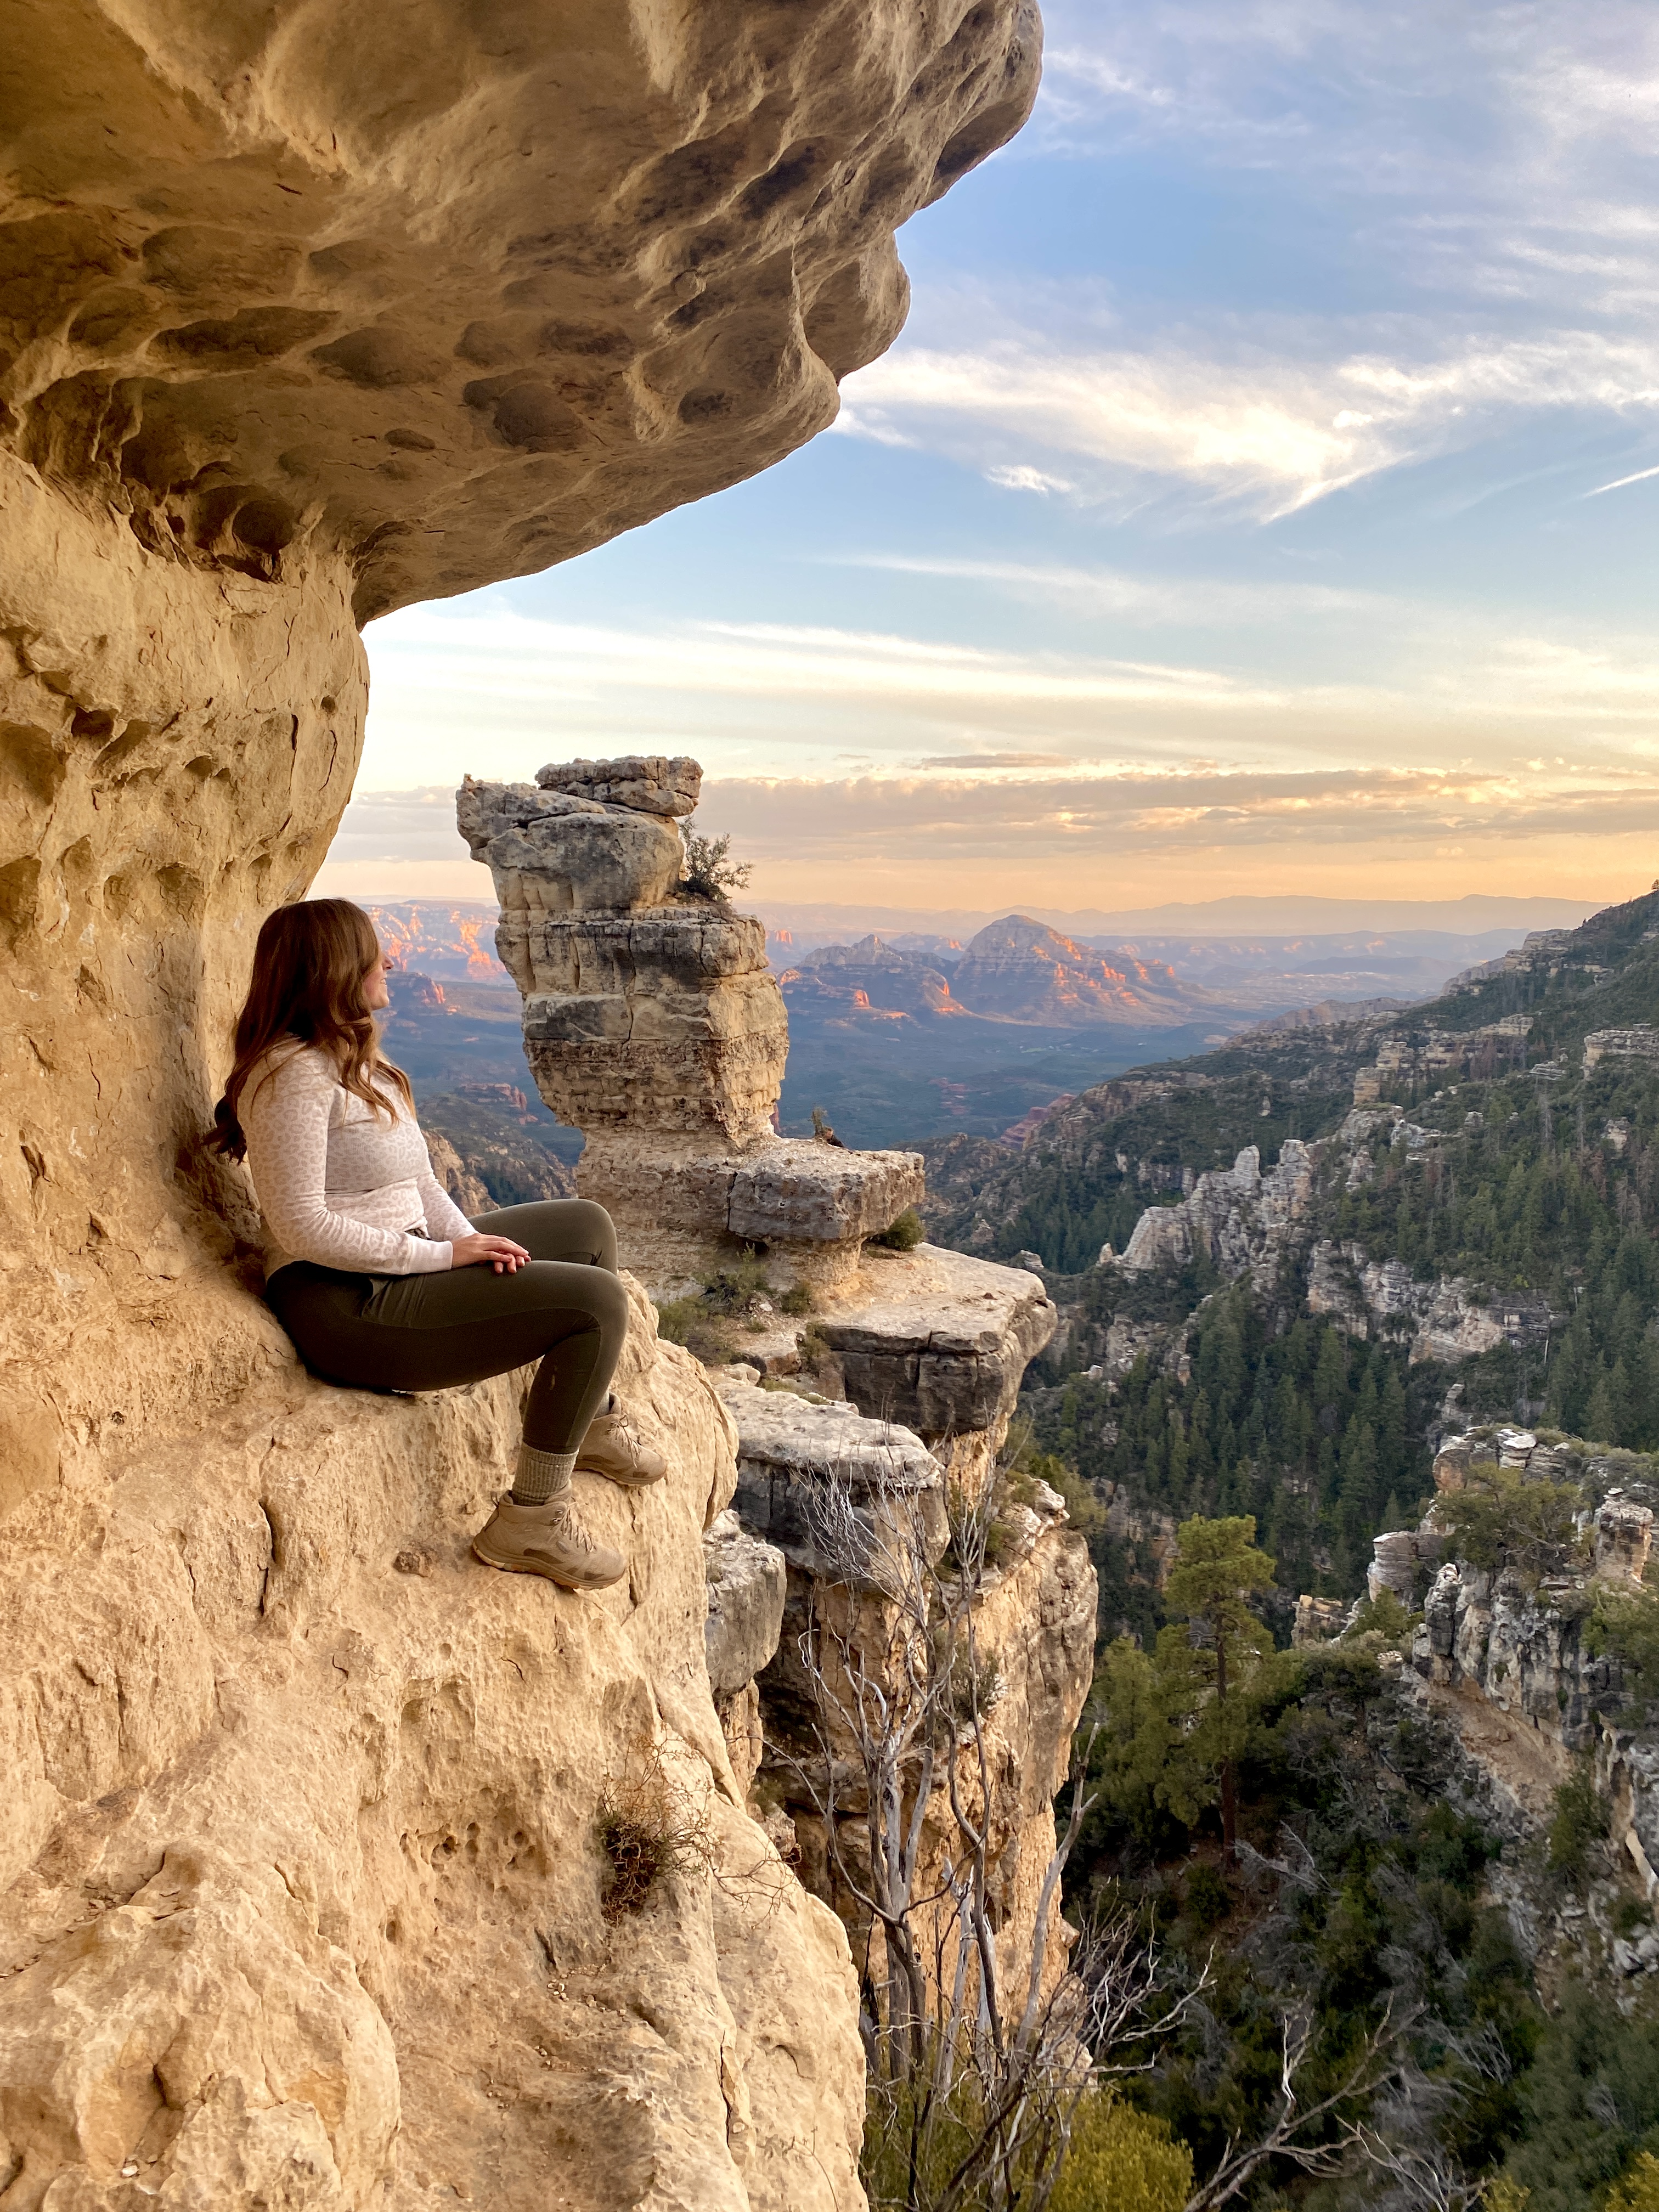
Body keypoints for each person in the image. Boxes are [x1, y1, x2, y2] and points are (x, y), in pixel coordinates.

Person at [211, 898, 663, 1592]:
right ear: (333, 968)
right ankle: (533, 1519)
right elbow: (300, 1224)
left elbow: (421, 1182)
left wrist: (468, 1238)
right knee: (596, 1303)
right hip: (345, 1303)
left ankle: (588, 1422)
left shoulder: (358, 1060)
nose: (388, 961)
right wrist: (442, 1259)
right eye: (372, 952)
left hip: (403, 1263)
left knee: (586, 1227)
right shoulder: (290, 1076)